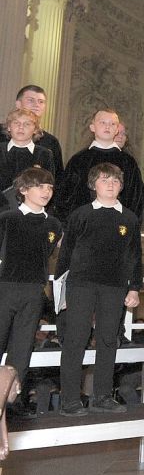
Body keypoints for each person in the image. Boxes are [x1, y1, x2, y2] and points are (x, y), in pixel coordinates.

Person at [55, 163, 142, 415]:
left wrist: (134, 288)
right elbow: (65, 256)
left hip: (114, 287)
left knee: (108, 340)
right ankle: (70, 399)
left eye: (115, 180)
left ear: (121, 185)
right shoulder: (80, 215)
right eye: (105, 180)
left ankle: (103, 396)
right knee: (76, 340)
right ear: (94, 185)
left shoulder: (130, 218)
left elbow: (134, 258)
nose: (111, 184)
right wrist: (62, 293)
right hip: (80, 285)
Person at [0, 168, 61, 417]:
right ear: (23, 190)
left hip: (34, 291)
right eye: (40, 186)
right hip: (5, 288)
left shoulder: (54, 224)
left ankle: (14, 401)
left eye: (49, 187)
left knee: (22, 349)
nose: (46, 191)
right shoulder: (7, 219)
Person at [53, 108, 144, 221]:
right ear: (92, 127)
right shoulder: (79, 160)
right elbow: (65, 196)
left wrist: (127, 222)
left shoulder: (128, 162)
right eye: (102, 122)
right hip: (84, 225)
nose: (107, 126)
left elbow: (136, 198)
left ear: (117, 129)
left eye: (112, 124)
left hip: (118, 225)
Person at [0, 86, 64, 180]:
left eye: (41, 101)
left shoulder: (51, 142)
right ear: (18, 104)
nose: (36, 105)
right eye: (31, 100)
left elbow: (57, 179)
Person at [0, 109, 56, 208]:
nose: (21, 127)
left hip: (32, 210)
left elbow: (49, 185)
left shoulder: (44, 154)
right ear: (9, 127)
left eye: (27, 124)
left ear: (35, 129)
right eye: (16, 123)